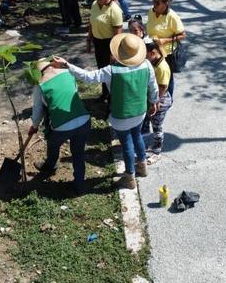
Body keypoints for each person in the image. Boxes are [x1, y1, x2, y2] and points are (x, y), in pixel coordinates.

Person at [52, 33, 159, 190]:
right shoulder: (146, 65)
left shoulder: (111, 70)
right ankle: (142, 167)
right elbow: (153, 85)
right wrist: (154, 101)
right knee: (137, 136)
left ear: (119, 52)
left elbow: (88, 77)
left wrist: (67, 65)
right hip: (140, 111)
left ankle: (129, 177)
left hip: (121, 115)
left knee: (127, 143)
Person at [29, 59, 91, 194]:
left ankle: (50, 166)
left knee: (52, 143)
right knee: (78, 153)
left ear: (38, 73)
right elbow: (73, 92)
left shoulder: (40, 85)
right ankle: (80, 185)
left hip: (62, 126)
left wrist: (34, 126)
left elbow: (38, 109)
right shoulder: (67, 73)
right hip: (84, 120)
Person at [146, 0, 186, 97]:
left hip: (166, 53)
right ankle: (154, 97)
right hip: (152, 51)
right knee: (153, 75)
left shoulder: (172, 16)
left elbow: (182, 35)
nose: (154, 4)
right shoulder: (151, 12)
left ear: (165, 4)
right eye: (153, 1)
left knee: (167, 78)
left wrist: (165, 40)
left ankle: (168, 99)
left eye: (157, 2)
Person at [87, 0, 123, 100]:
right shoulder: (94, 5)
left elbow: (118, 33)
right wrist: (89, 40)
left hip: (109, 43)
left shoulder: (115, 10)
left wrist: (113, 52)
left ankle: (113, 97)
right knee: (101, 69)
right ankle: (105, 93)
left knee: (110, 71)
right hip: (98, 42)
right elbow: (91, 23)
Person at [144, 38, 172, 165]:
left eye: (146, 55)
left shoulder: (162, 67)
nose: (144, 58)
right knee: (153, 123)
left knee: (157, 127)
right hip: (154, 98)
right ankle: (154, 145)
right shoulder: (155, 62)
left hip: (161, 101)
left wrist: (154, 103)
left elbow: (162, 88)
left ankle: (157, 152)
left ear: (153, 53)